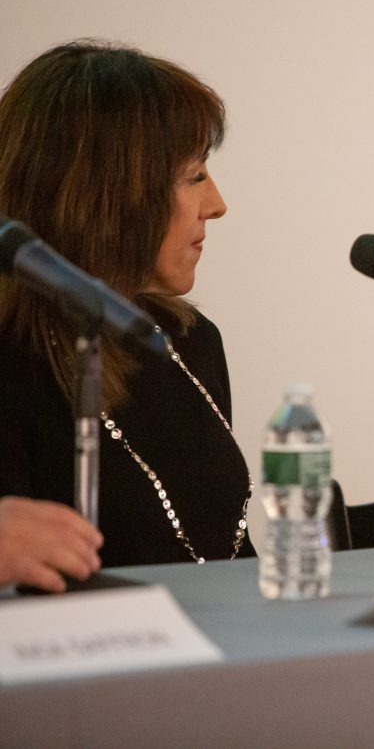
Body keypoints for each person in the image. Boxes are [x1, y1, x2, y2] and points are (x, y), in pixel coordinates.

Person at [0, 40, 254, 569]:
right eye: (194, 176)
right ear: (111, 194)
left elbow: (228, 553)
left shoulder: (190, 341)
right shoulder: (13, 360)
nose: (217, 205)